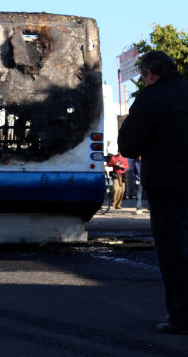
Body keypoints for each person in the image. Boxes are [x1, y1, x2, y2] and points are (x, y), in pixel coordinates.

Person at [118, 50, 188, 334]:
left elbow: (129, 146)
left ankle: (182, 317)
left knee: (176, 251)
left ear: (148, 74)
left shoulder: (150, 99)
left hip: (169, 185)